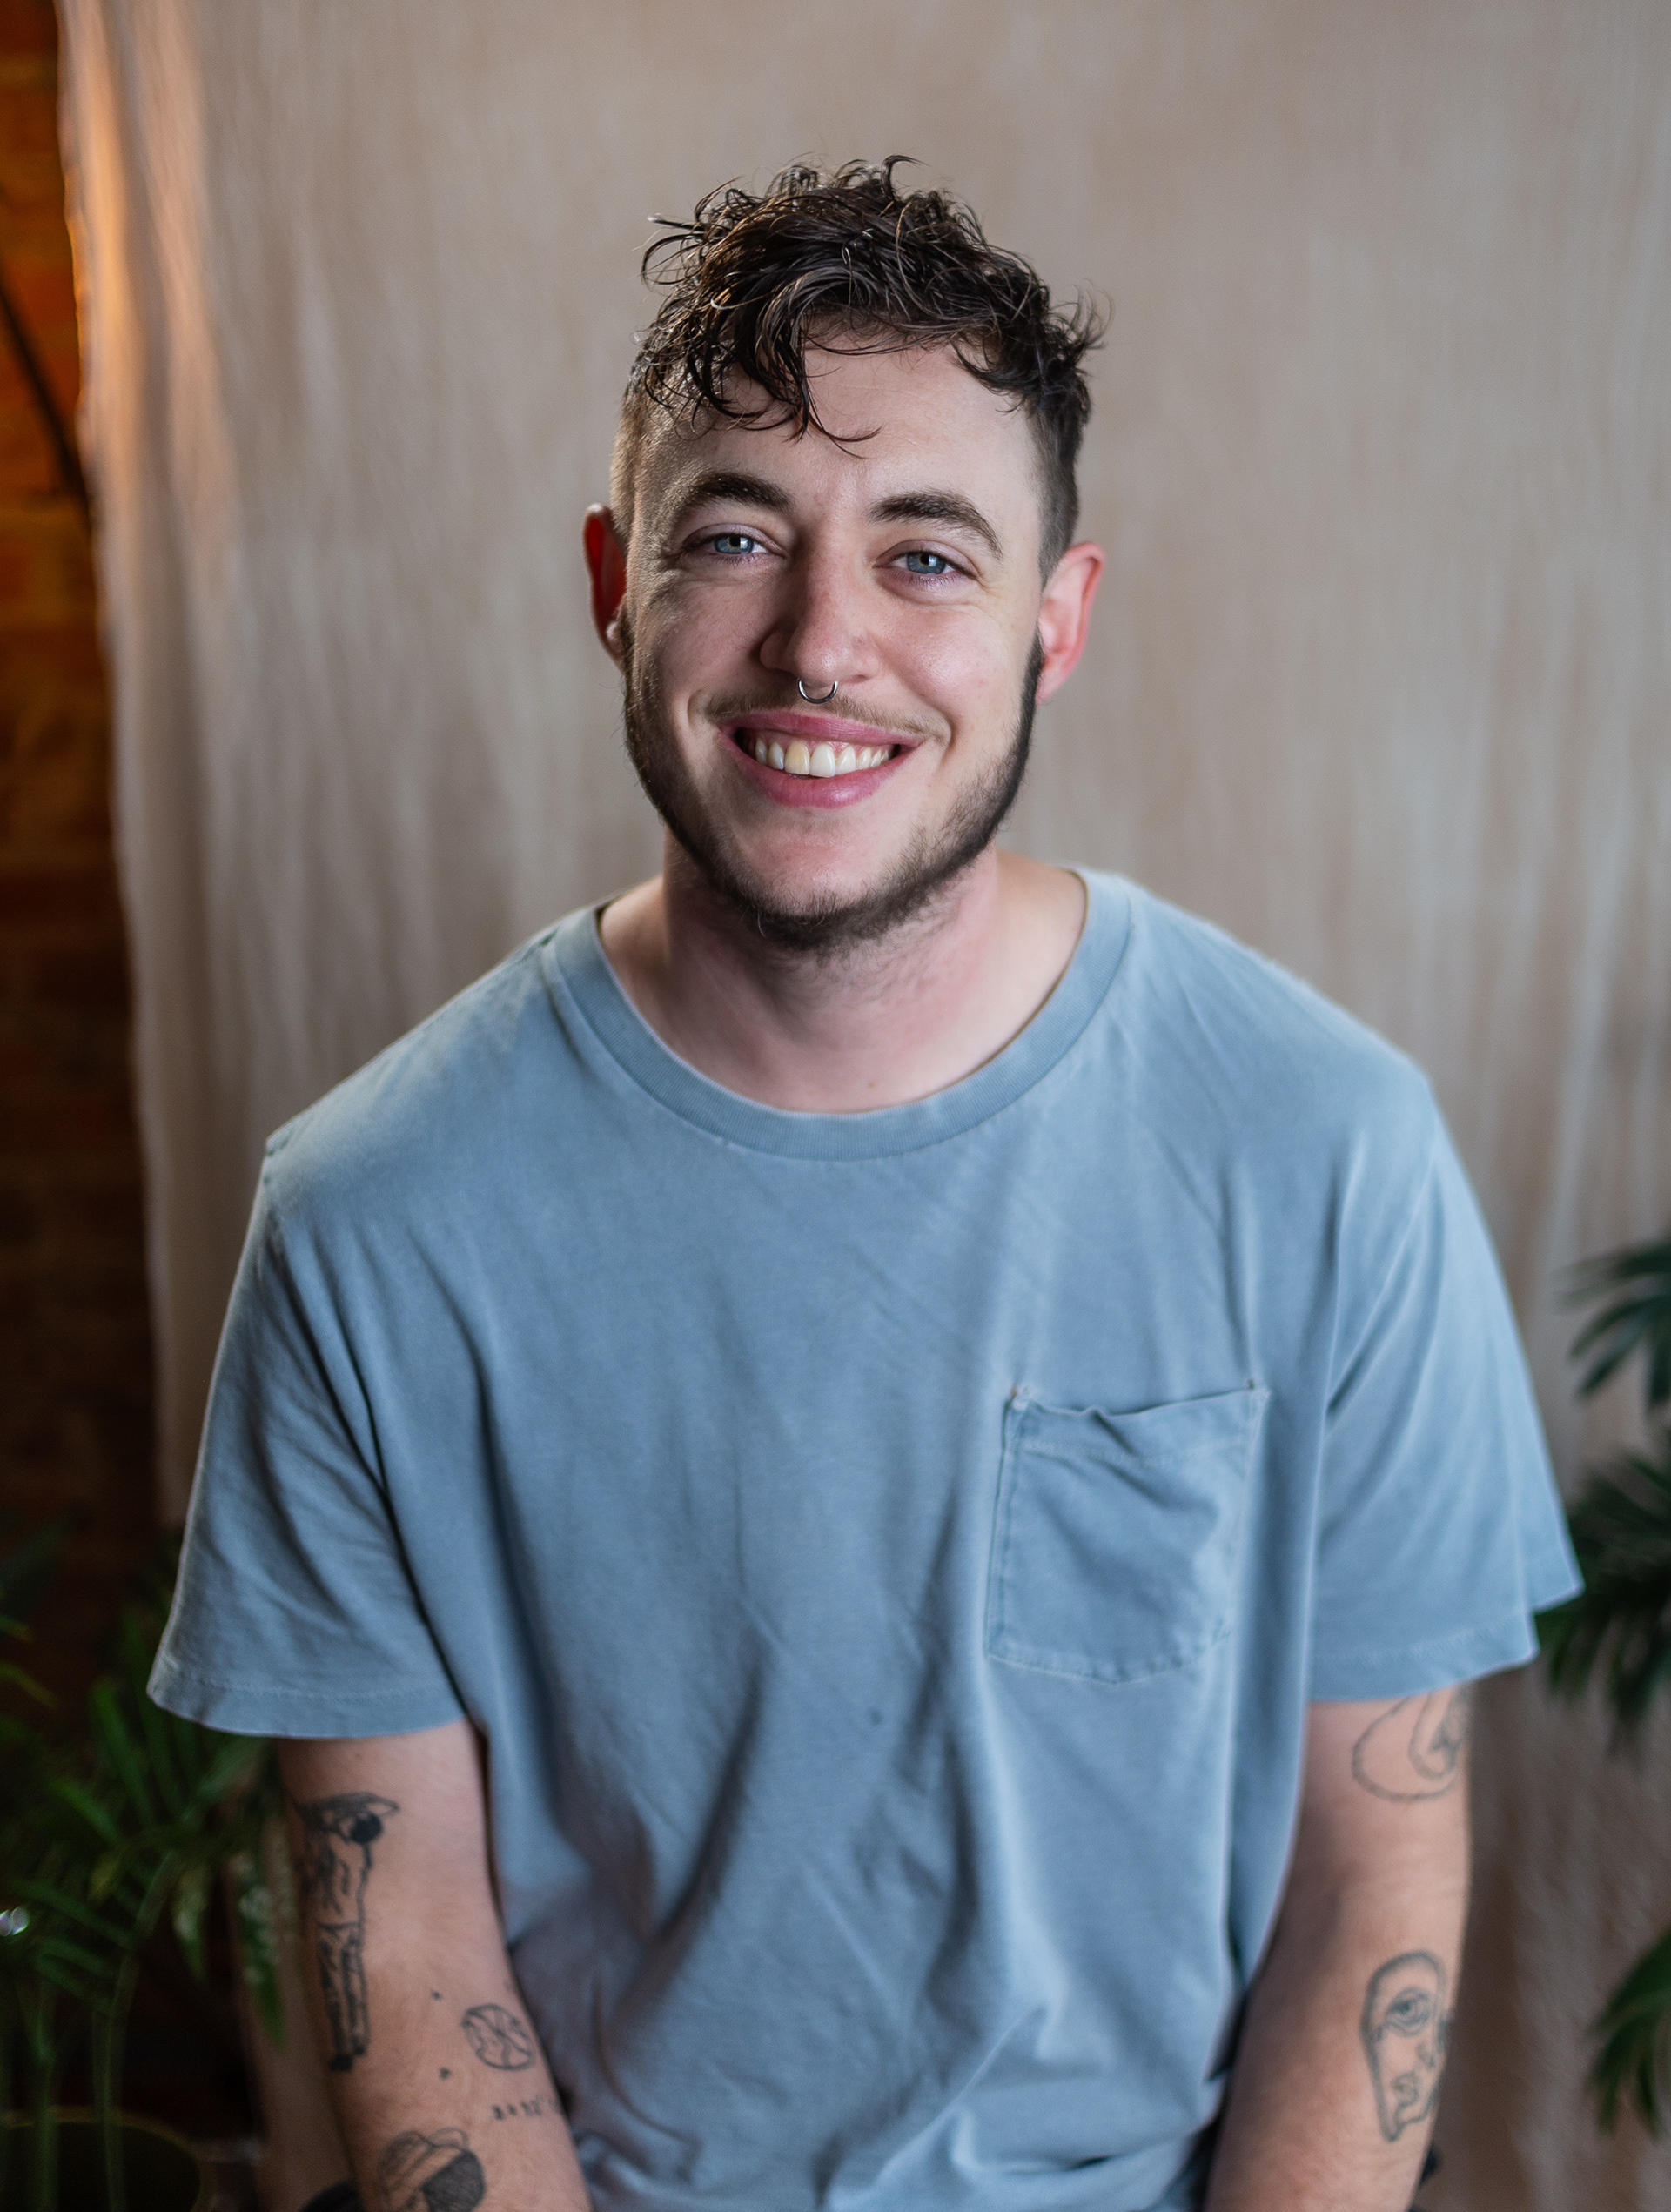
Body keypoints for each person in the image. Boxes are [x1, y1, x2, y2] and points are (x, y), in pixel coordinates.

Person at [151, 159, 1579, 2212]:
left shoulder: (1329, 1149)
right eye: (736, 533)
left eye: (926, 552)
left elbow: (1377, 1876)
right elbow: (409, 1934)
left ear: (1056, 619)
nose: (823, 640)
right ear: (612, 583)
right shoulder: (367, 1220)